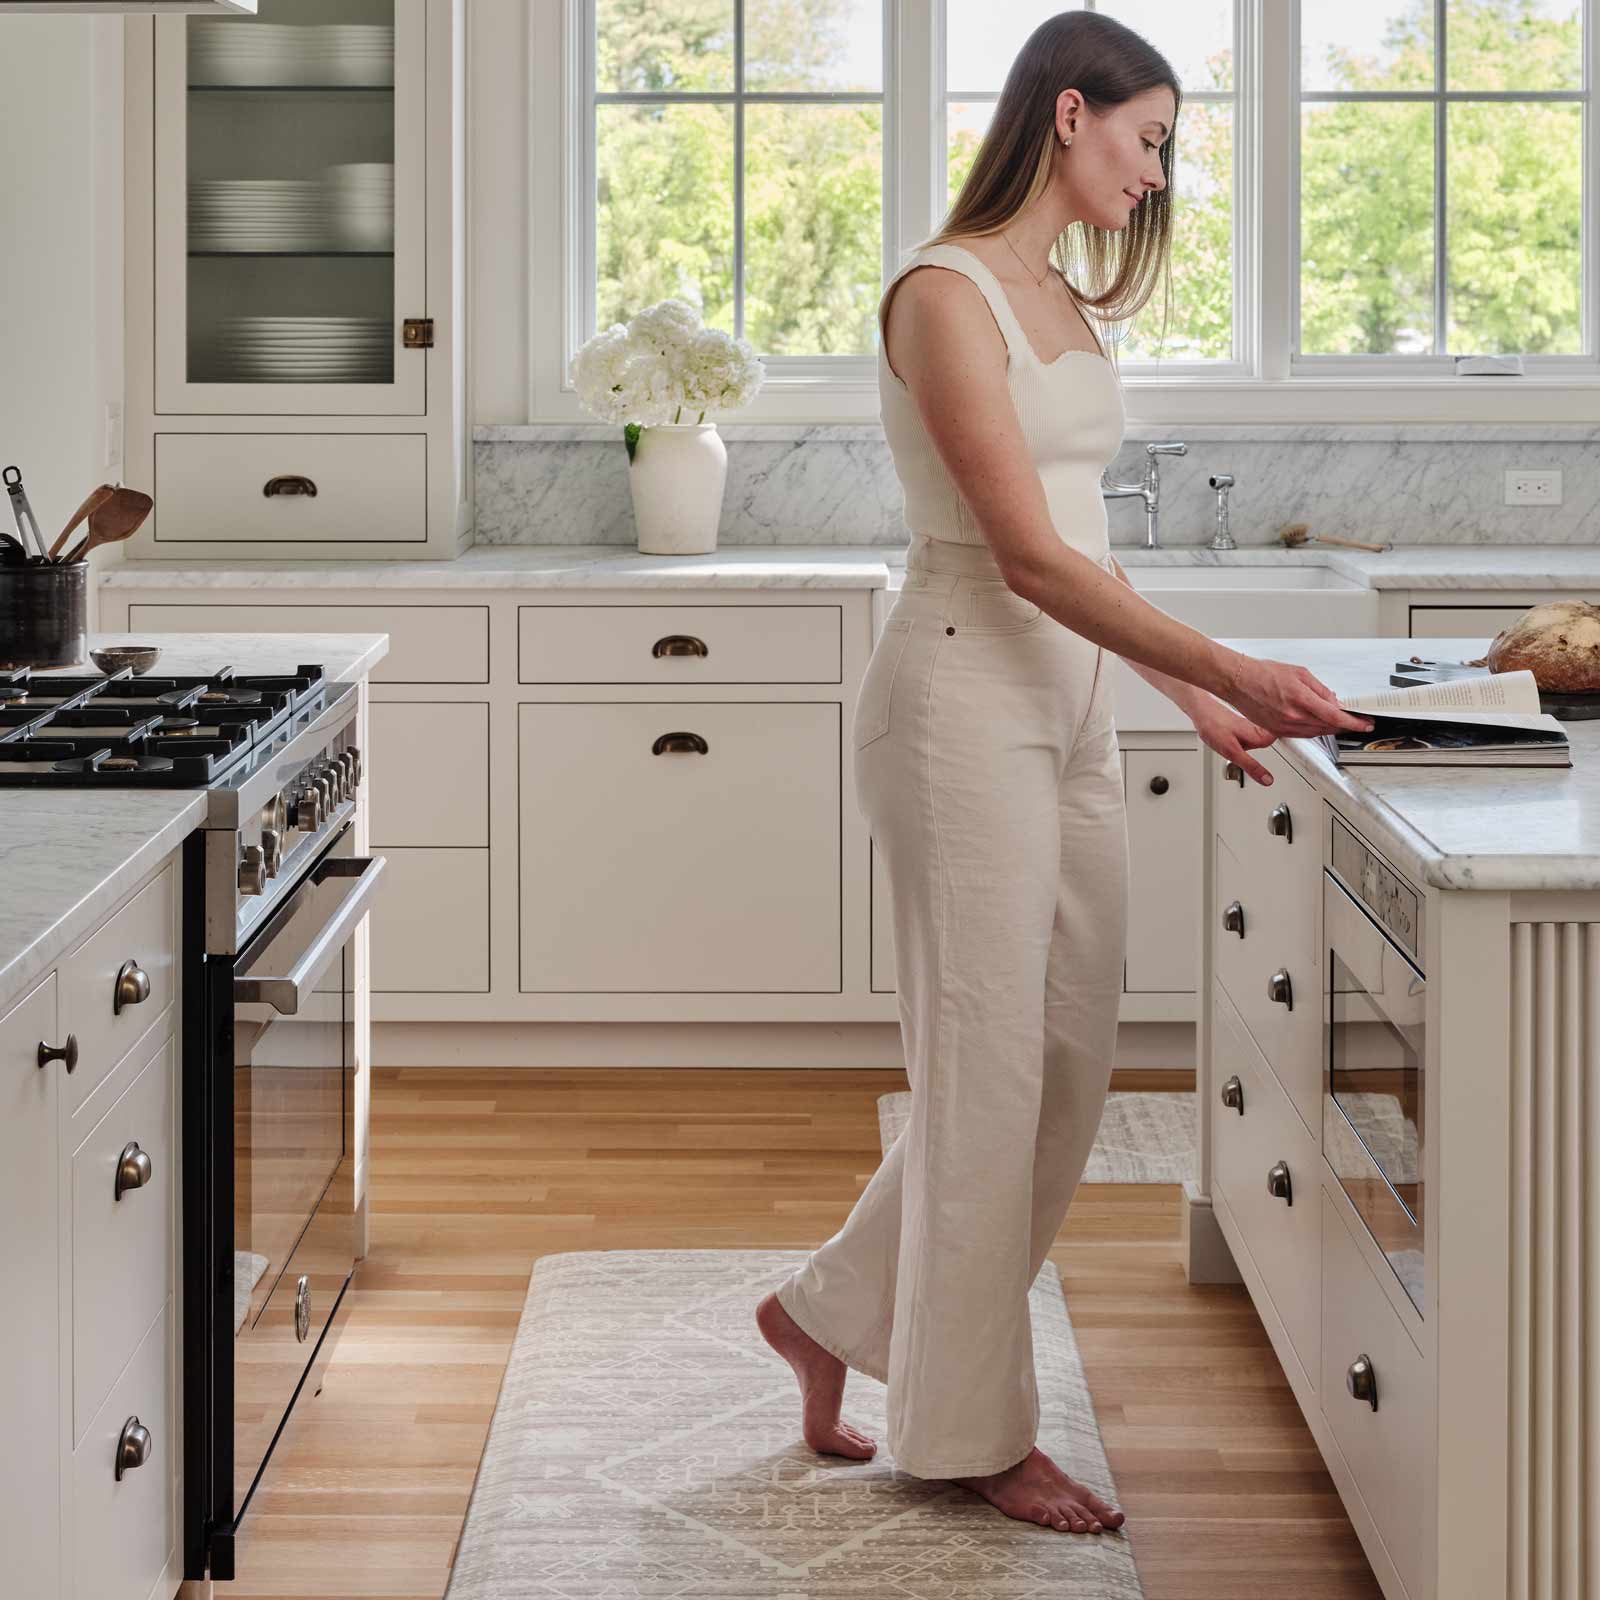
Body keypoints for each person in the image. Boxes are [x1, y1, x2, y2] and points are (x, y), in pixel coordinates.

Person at [756, 10, 1373, 1538]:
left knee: (1067, 1070)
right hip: (962, 703)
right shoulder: (944, 293)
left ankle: (825, 1313)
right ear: (1073, 113)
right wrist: (1234, 664)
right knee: (983, 1079)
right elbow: (1022, 557)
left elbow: (1090, 543)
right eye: (1150, 140)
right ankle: (964, 1433)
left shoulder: (1062, 299)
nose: (1157, 177)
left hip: (1073, 708)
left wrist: (1179, 689)